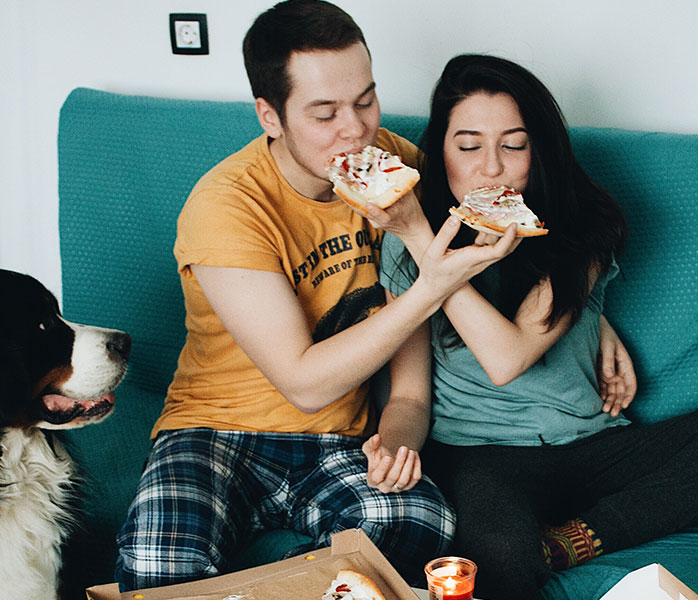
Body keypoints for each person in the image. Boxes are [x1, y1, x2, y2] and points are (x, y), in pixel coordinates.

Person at [113, 3, 523, 591]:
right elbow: (305, 384)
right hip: (214, 430)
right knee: (159, 564)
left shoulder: (400, 166)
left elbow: (504, 211)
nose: (355, 130)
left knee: (417, 520)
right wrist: (432, 287)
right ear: (270, 116)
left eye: (365, 100)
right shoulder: (228, 205)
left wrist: (585, 313)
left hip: (340, 442)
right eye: (324, 113)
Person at [376, 53, 698, 599]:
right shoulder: (404, 245)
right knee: (499, 560)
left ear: (540, 149)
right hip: (478, 457)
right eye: (468, 145)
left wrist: (421, 242)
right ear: (441, 153)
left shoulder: (581, 229)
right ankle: (540, 544)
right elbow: (409, 398)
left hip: (593, 448)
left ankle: (575, 541)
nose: (491, 167)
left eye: (513, 144)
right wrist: (394, 452)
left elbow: (508, 358)